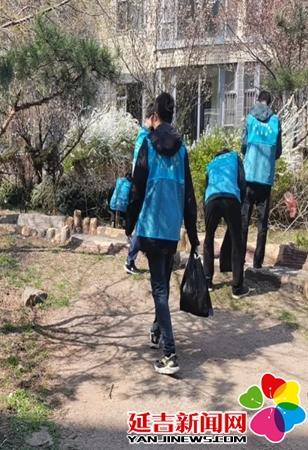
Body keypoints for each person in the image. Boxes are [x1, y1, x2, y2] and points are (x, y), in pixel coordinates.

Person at [126, 93, 199, 375]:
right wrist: (192, 234)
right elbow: (189, 196)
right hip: (171, 230)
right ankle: (157, 332)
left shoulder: (147, 144)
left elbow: (137, 188)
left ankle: (170, 354)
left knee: (159, 290)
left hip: (151, 226)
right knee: (163, 286)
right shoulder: (182, 150)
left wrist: (129, 223)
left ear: (154, 116)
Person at [241, 90, 282, 269]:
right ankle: (258, 262)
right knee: (262, 223)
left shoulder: (250, 119)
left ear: (258, 101)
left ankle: (239, 258)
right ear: (269, 103)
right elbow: (278, 151)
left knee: (244, 220)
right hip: (265, 177)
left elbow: (243, 145)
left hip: (249, 175)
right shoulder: (275, 121)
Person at [203, 149, 250, 299]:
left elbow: (207, 185)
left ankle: (207, 281)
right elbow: (242, 182)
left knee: (208, 239)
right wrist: (239, 203)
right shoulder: (235, 158)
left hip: (211, 198)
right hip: (231, 198)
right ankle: (237, 288)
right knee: (237, 241)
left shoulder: (212, 163)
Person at [124, 104, 157, 275]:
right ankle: (130, 260)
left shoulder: (141, 136)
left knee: (143, 223)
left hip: (139, 185)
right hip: (143, 186)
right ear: (152, 117)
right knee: (143, 223)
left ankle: (136, 257)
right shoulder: (146, 138)